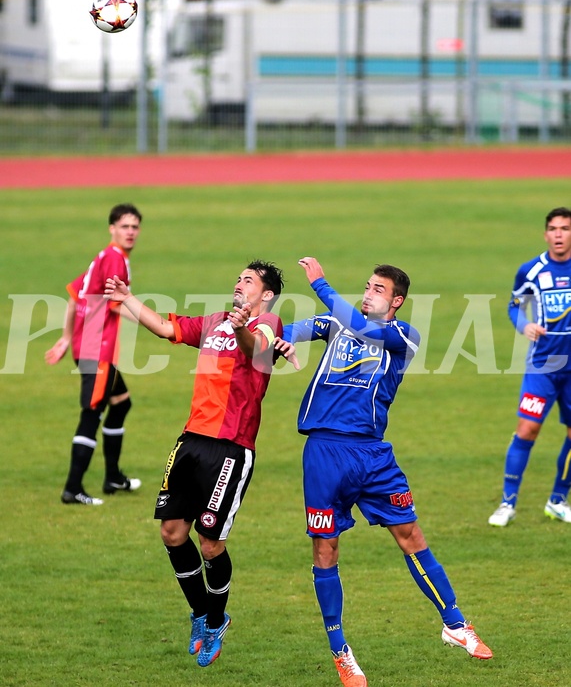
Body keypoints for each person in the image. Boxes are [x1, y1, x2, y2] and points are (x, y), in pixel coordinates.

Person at [274, 257, 492, 687]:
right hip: (324, 454)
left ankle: (455, 624)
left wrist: (321, 284)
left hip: (373, 458)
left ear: (397, 301)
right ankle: (342, 654)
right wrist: (270, 333)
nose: (369, 291)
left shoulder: (402, 336)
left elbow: (363, 328)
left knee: (412, 536)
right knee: (325, 551)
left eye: (378, 289)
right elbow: (291, 330)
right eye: (367, 285)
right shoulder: (336, 323)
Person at [104, 260, 284, 668]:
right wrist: (128, 299)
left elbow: (256, 348)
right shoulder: (213, 321)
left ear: (267, 294)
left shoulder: (269, 322)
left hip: (231, 448)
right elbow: (168, 328)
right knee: (171, 532)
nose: (239, 284)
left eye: (249, 281)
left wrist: (241, 327)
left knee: (210, 543)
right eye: (238, 278)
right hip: (191, 440)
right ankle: (201, 614)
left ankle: (216, 621)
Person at [45, 203, 143, 506]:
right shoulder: (115, 260)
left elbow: (74, 296)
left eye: (135, 227)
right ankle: (72, 488)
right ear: (112, 228)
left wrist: (65, 339)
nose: (130, 232)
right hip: (97, 349)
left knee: (121, 403)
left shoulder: (103, 256)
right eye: (125, 226)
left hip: (87, 345)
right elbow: (116, 304)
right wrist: (157, 322)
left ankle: (112, 476)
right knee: (92, 413)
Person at [488, 206, 571, 527]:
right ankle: (507, 502)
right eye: (554, 228)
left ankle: (557, 500)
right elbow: (514, 306)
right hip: (543, 367)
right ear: (546, 234)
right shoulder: (531, 271)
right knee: (527, 429)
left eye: (565, 228)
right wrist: (524, 325)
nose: (559, 234)